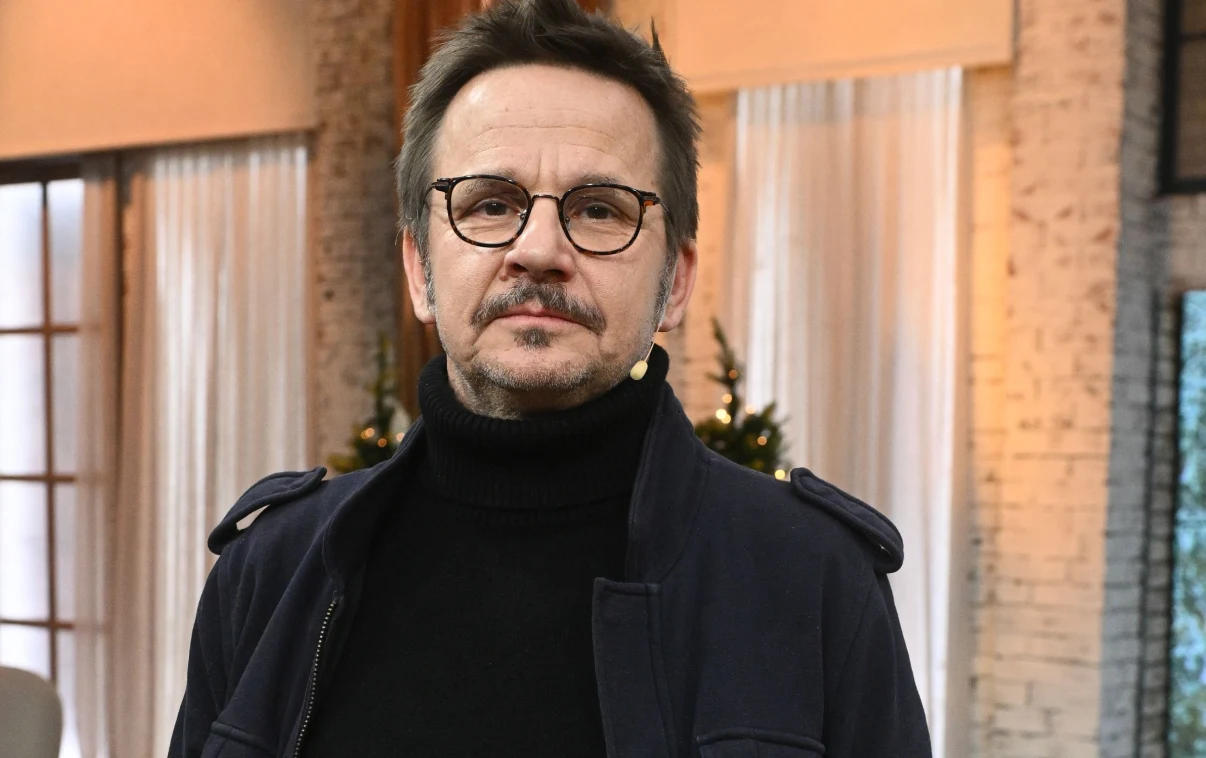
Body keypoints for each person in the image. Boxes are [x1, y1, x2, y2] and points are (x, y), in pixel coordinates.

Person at [169, 0, 931, 756]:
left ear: (675, 282)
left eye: (599, 210)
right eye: (490, 204)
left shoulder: (816, 580)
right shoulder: (271, 572)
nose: (538, 249)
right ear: (420, 269)